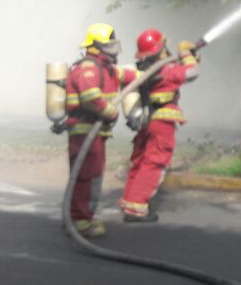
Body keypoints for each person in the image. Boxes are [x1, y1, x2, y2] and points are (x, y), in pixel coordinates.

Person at [119, 28, 199, 222]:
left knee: (139, 161)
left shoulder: (145, 70)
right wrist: (186, 54)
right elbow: (192, 73)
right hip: (162, 122)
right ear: (161, 48)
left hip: (147, 121)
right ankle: (137, 208)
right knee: (155, 162)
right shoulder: (164, 70)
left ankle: (130, 201)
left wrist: (187, 58)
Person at [65, 23, 137, 237]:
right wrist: (111, 113)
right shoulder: (88, 69)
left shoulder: (106, 68)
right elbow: (90, 98)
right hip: (85, 131)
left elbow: (132, 76)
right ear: (96, 46)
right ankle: (81, 221)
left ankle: (76, 217)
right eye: (110, 44)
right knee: (87, 177)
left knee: (88, 175)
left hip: (94, 133)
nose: (114, 49)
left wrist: (158, 68)